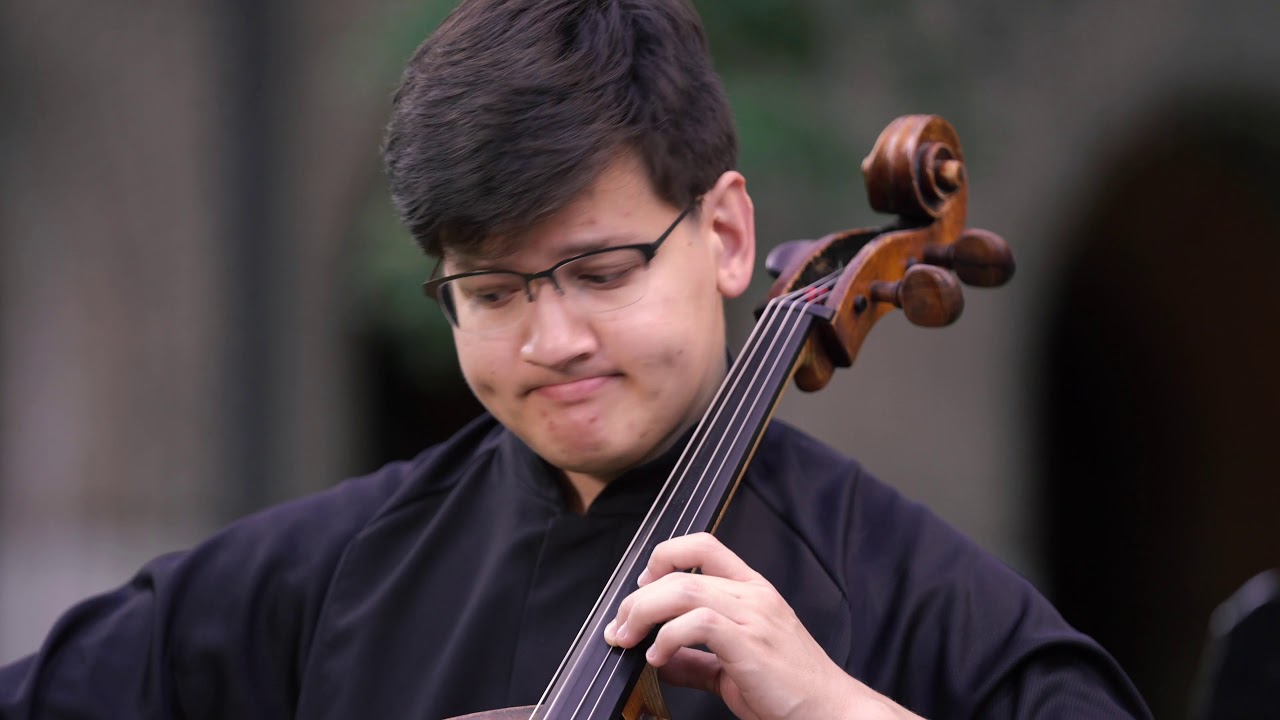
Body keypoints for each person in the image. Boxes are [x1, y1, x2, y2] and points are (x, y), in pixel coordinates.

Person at [1, 1, 1151, 718]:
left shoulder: (908, 588)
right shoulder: (323, 573)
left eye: (602, 272)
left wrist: (828, 709)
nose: (551, 344)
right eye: (490, 292)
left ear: (728, 235)